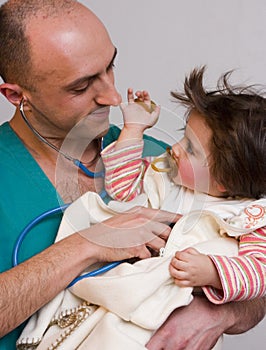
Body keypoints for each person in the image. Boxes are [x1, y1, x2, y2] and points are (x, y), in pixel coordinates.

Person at [0, 0, 264, 349]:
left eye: (110, 66)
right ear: (17, 95)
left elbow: (253, 269)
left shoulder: (160, 157)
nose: (111, 96)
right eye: (81, 87)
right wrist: (88, 244)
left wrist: (219, 313)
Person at [101, 66, 266, 304]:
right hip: (129, 289)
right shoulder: (164, 174)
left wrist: (212, 272)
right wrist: (134, 129)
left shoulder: (248, 218)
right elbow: (121, 190)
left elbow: (260, 272)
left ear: (224, 182)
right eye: (184, 136)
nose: (175, 149)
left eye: (190, 148)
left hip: (172, 307)